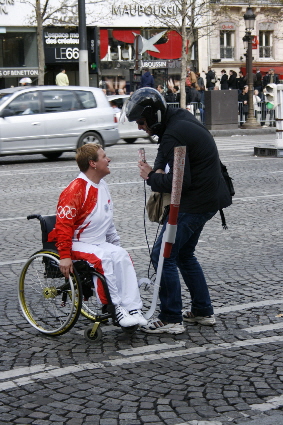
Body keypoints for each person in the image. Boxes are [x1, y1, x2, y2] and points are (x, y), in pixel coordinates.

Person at [124, 87, 232, 334]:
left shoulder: (174, 131)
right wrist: (158, 168)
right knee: (184, 255)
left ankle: (171, 317)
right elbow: (166, 149)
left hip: (194, 204)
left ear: (153, 116)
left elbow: (180, 183)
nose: (140, 127)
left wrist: (151, 176)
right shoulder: (178, 118)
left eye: (141, 122)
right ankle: (203, 311)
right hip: (209, 199)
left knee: (163, 255)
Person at [48, 143, 147, 328]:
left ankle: (133, 308)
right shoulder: (75, 189)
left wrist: (116, 244)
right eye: (104, 157)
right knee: (101, 258)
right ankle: (114, 307)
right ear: (92, 163)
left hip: (97, 242)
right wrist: (65, 256)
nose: (108, 160)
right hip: (77, 243)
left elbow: (107, 220)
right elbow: (63, 225)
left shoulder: (102, 185)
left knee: (122, 255)